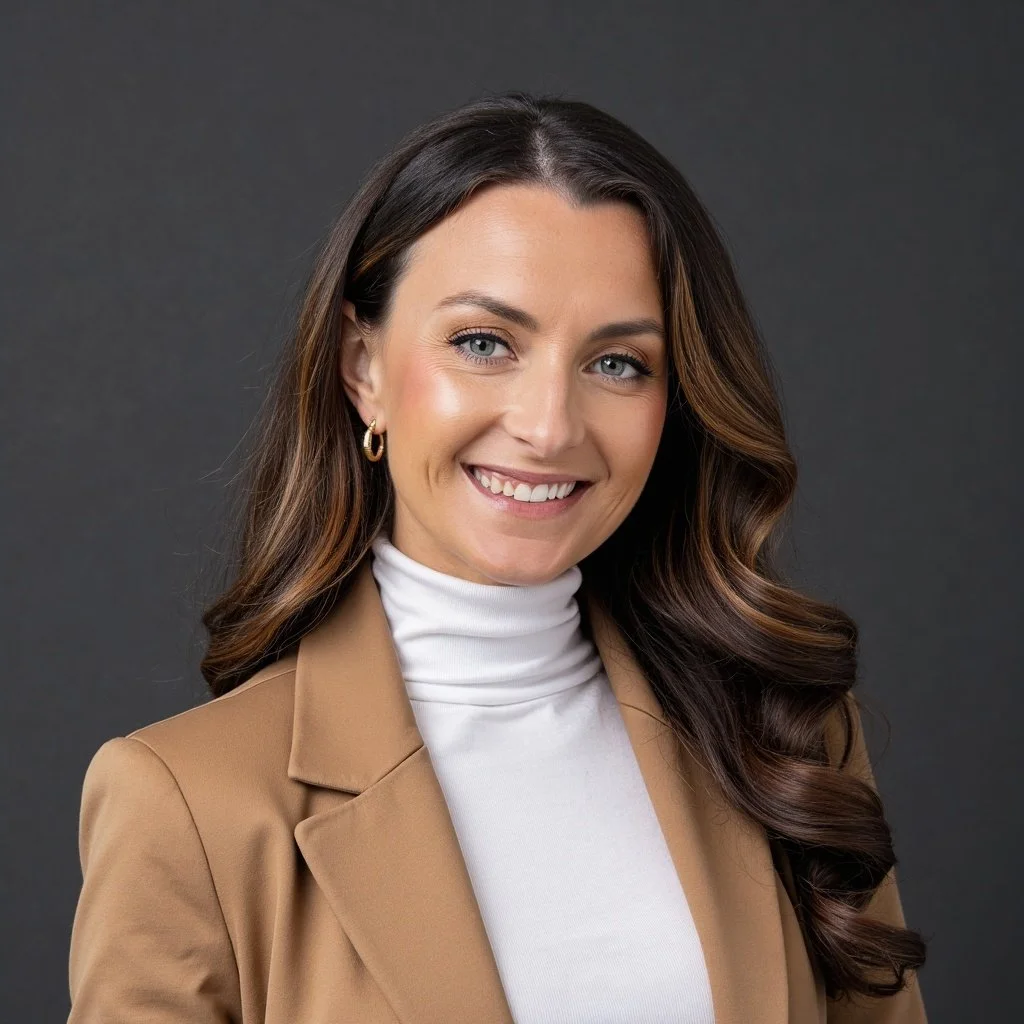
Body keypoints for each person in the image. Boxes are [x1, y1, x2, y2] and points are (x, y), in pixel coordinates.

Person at [67, 92, 928, 1023]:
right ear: (363, 368)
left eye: (617, 363)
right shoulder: (186, 803)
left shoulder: (785, 739)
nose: (549, 427)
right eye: (484, 343)